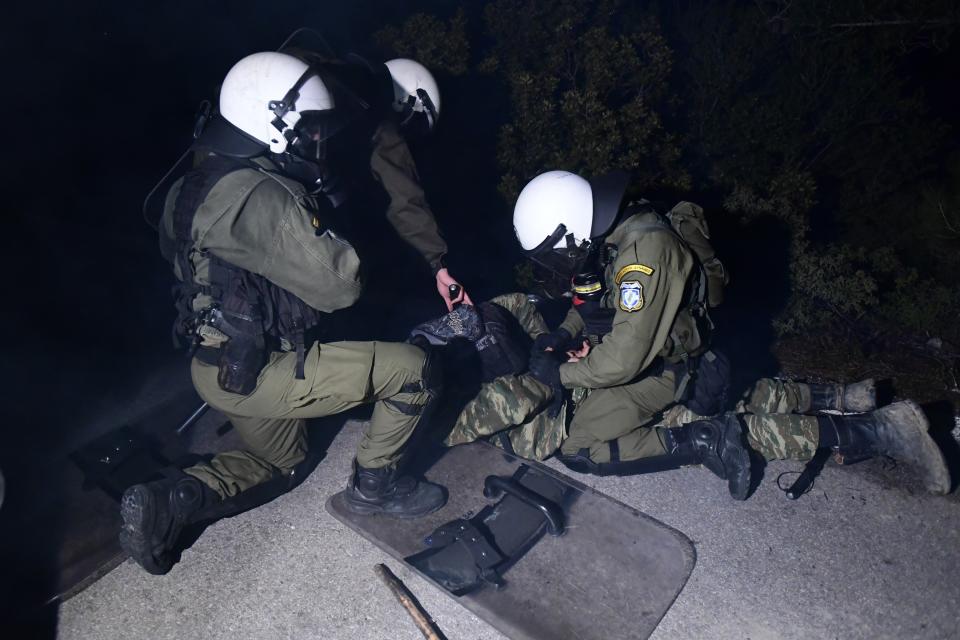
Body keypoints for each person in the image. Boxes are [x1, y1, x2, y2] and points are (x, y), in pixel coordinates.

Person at [121, 51, 464, 575]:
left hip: (215, 367)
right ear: (274, 123)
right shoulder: (260, 195)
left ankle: (174, 500)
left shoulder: (189, 187)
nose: (317, 141)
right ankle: (378, 485)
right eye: (309, 130)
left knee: (282, 463)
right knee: (414, 370)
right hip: (265, 371)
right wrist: (321, 212)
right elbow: (342, 285)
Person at [444, 169, 950, 499]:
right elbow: (601, 307)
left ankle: (879, 431)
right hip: (675, 357)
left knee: (582, 447)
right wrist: (566, 333)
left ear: (568, 230)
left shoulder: (644, 255)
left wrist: (562, 373)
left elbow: (622, 361)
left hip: (667, 367)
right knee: (711, 397)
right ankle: (847, 399)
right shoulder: (623, 233)